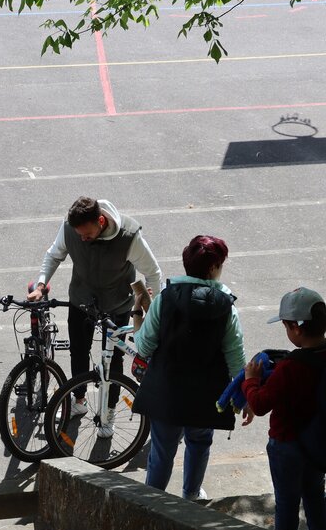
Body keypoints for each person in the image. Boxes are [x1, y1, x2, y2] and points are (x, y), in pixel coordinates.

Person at [28, 197, 163, 430]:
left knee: (114, 360)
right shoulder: (70, 228)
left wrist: (153, 310)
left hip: (117, 304)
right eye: (79, 234)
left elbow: (153, 272)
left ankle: (108, 412)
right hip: (81, 301)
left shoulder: (129, 237)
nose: (82, 239)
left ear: (101, 221)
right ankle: (78, 401)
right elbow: (54, 255)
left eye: (87, 234)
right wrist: (41, 285)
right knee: (78, 352)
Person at [133, 235, 250, 500]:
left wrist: (137, 313)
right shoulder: (226, 307)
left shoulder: (165, 298)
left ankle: (154, 502)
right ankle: (192, 495)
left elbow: (144, 346)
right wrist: (245, 395)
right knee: (199, 443)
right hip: (207, 396)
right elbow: (235, 356)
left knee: (162, 448)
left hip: (166, 392)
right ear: (212, 268)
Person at [242, 287, 326, 530]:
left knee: (287, 502)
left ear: (296, 328)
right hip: (319, 441)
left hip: (287, 445)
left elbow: (260, 404)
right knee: (316, 495)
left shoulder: (291, 367)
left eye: (285, 326)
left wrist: (250, 380)